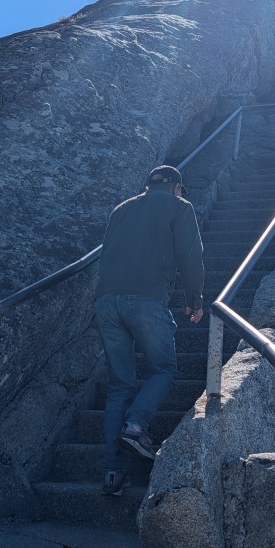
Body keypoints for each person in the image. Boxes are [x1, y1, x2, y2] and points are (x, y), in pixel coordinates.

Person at [93, 165, 205, 496]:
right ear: (175, 187)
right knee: (164, 368)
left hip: (107, 301)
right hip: (146, 300)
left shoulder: (121, 208)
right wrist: (194, 299)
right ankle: (137, 425)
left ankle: (112, 473)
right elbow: (191, 254)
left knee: (119, 385)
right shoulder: (179, 207)